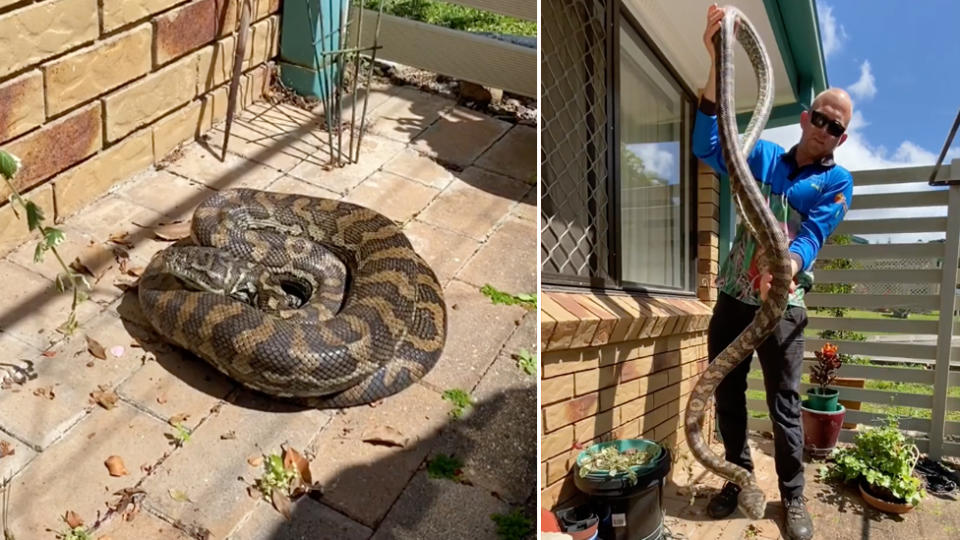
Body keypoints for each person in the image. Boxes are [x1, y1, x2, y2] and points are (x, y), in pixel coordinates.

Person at [691, 5, 855, 540]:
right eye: (822, 117)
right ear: (807, 117)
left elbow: (812, 236)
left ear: (841, 138)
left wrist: (788, 264)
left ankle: (793, 499)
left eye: (838, 127)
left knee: (785, 405)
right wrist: (717, 57)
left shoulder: (837, 184)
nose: (827, 128)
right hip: (737, 296)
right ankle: (738, 480)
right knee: (727, 392)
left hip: (784, 307)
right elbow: (708, 145)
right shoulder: (759, 157)